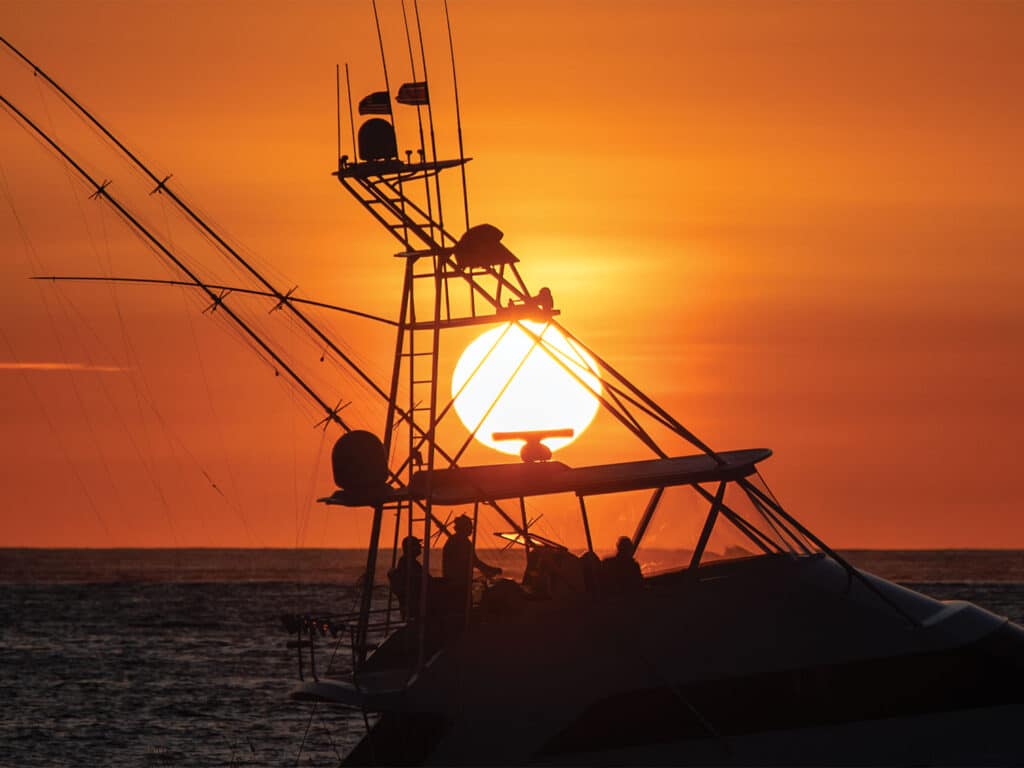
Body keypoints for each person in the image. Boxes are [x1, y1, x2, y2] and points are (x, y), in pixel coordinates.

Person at [442, 515, 502, 613]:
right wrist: (492, 570)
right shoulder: (462, 542)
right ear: (464, 527)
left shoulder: (453, 540)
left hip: (452, 583)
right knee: (463, 611)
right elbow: (474, 561)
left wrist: (487, 570)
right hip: (459, 585)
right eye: (470, 526)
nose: (472, 529)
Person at [388, 535, 425, 620]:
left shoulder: (408, 561)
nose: (420, 547)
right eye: (417, 545)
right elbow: (416, 581)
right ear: (410, 548)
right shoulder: (407, 562)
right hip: (414, 607)